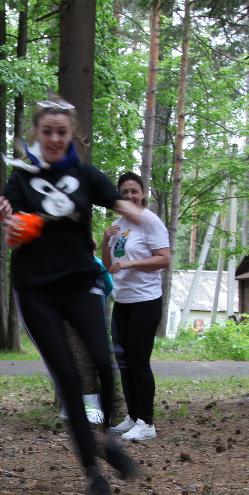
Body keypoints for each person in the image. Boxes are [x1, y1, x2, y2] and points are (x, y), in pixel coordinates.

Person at [0, 96, 147, 495]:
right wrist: (10, 223)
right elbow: (8, 221)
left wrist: (143, 219)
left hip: (80, 282)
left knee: (103, 358)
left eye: (63, 132)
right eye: (48, 132)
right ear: (37, 134)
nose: (56, 138)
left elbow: (121, 204)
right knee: (70, 380)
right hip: (37, 289)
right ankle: (94, 476)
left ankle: (110, 441)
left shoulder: (84, 175)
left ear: (72, 134)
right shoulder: (21, 177)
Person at [102, 173, 172, 442]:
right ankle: (132, 416)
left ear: (142, 193)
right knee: (124, 363)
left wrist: (131, 264)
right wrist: (106, 238)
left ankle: (147, 422)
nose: (129, 196)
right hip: (123, 302)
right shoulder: (119, 225)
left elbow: (164, 259)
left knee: (139, 362)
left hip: (146, 300)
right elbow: (109, 264)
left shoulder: (150, 222)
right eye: (124, 192)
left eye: (134, 191)